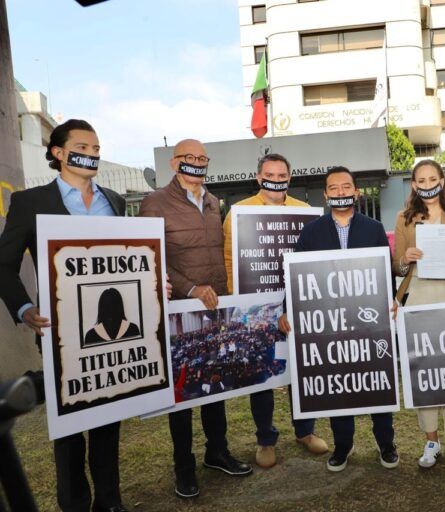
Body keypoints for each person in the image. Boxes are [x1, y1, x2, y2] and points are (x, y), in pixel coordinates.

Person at [0, 119, 129, 512]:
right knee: (70, 428)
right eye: (82, 147)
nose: (91, 154)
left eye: (96, 148)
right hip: (61, 332)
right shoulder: (31, 202)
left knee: (109, 417)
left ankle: (109, 501)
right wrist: (24, 309)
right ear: (58, 152)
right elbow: (3, 264)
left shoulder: (115, 201)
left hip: (114, 330)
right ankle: (74, 504)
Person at [139, 139, 252, 500]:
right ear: (175, 163)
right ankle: (183, 466)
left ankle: (216, 452)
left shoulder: (212, 200)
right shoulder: (154, 202)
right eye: (190, 157)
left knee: (213, 383)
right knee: (182, 391)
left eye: (203, 158)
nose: (197, 163)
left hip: (215, 308)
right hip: (177, 309)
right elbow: (150, 254)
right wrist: (190, 290)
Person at [281, 166, 399, 472]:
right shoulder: (311, 232)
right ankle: (343, 446)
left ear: (356, 192)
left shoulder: (373, 228)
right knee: (339, 384)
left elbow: (385, 270)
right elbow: (296, 277)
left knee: (376, 379)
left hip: (369, 322)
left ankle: (385, 442)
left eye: (347, 187)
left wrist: (392, 301)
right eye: (334, 188)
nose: (341, 192)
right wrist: (286, 308)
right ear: (326, 194)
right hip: (330, 324)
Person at [222, 153, 328, 469]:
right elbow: (230, 261)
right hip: (257, 307)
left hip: (296, 304)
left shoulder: (305, 212)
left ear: (289, 178)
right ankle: (265, 439)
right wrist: (239, 303)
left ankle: (305, 431)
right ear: (258, 177)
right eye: (270, 173)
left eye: (282, 174)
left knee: (300, 370)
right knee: (263, 373)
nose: (276, 179)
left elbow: (314, 258)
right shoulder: (238, 213)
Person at [393, 159, 445, 470]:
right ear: (414, 185)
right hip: (416, 298)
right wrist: (405, 258)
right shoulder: (404, 217)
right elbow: (395, 266)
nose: (427, 184)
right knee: (423, 371)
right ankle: (431, 440)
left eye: (433, 178)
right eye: (421, 180)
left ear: (441, 180)